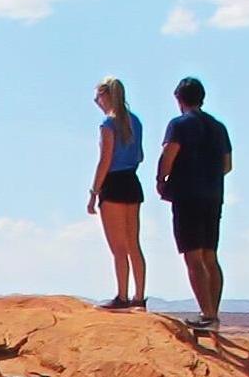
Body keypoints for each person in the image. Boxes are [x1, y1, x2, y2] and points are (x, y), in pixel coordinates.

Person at [156, 75, 233, 326]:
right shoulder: (219, 127)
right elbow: (227, 165)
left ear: (179, 99)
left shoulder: (179, 125)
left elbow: (169, 154)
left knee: (193, 256)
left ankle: (207, 314)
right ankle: (214, 313)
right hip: (213, 196)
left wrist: (161, 179)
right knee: (210, 255)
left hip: (187, 195)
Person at [86, 77, 148, 308]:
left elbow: (105, 159)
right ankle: (139, 297)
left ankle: (122, 296)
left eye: (97, 98)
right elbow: (140, 155)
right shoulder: (135, 122)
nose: (97, 103)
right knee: (134, 243)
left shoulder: (108, 124)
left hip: (113, 183)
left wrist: (94, 192)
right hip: (132, 182)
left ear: (106, 96)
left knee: (118, 247)